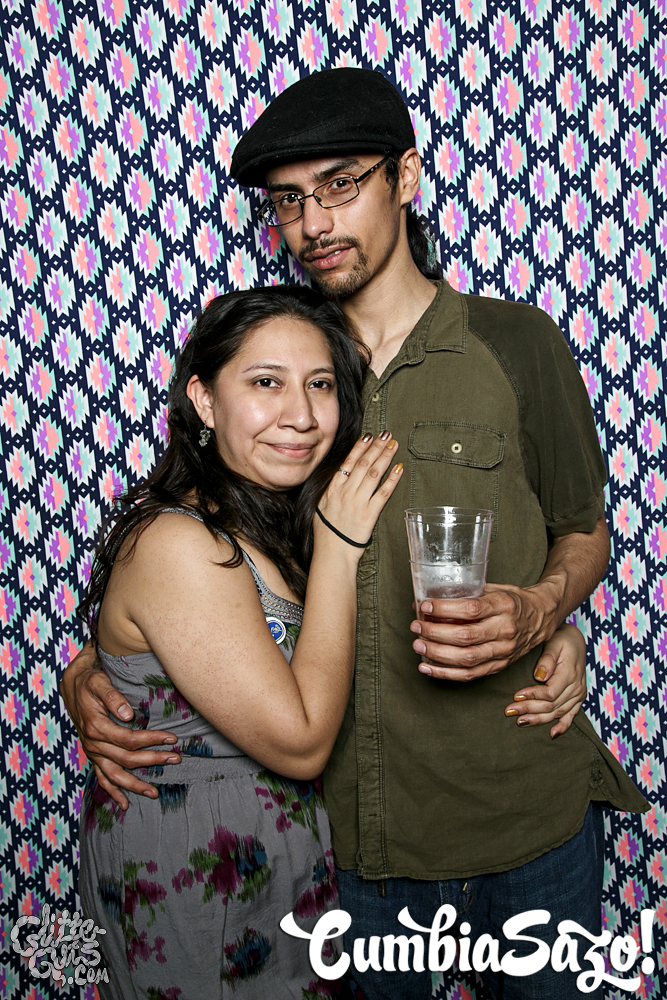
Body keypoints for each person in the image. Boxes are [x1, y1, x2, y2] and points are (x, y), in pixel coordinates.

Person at [62, 70, 647, 999]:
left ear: (405, 177)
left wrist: (544, 612)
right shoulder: (286, 366)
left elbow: (584, 531)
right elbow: (203, 554)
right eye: (288, 201)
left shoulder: (517, 343)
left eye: (339, 185)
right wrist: (96, 671)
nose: (313, 224)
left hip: (523, 812)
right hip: (351, 845)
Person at [75, 285, 405, 998]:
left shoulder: (269, 519)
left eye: (321, 384)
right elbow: (302, 742)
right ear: (203, 400)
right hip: (199, 875)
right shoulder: (178, 541)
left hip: (283, 861)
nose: (301, 415)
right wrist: (340, 545)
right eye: (265, 383)